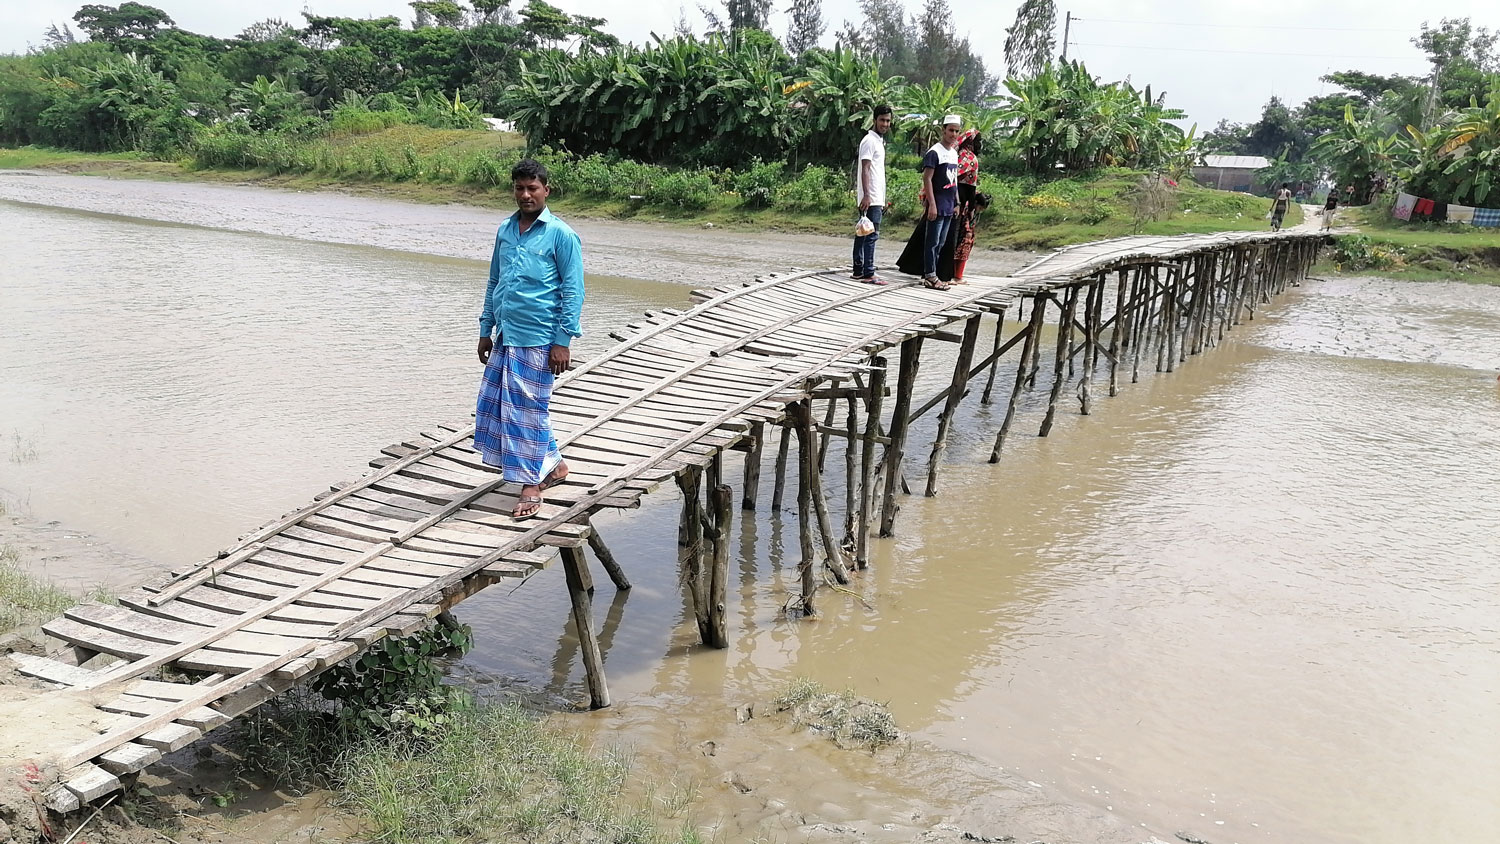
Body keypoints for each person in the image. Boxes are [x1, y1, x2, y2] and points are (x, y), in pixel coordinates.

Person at [475, 158, 584, 520]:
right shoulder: (506, 231)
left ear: (546, 190)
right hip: (507, 335)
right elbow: (495, 282)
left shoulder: (561, 234)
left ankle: (531, 486)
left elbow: (574, 291)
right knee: (508, 407)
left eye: (532, 188)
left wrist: (562, 341)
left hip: (539, 338)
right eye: (520, 188)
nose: (525, 194)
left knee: (527, 411)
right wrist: (485, 329)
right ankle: (555, 467)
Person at [918, 115, 963, 290]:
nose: (953, 134)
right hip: (937, 204)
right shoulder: (934, 152)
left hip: (948, 205)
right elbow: (927, 179)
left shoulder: (953, 153)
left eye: (956, 131)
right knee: (932, 242)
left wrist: (957, 202)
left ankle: (933, 274)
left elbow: (955, 181)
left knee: (941, 242)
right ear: (943, 130)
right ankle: (930, 275)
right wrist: (932, 204)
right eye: (951, 130)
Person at [852, 104, 892, 285]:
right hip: (871, 196)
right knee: (871, 234)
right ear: (875, 120)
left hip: (876, 195)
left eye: (888, 121)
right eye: (882, 120)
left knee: (863, 232)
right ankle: (868, 272)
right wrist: (867, 195)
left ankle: (859, 270)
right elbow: (865, 169)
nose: (885, 124)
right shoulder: (869, 141)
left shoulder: (878, 141)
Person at [951, 129, 983, 282]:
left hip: (948, 202)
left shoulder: (957, 155)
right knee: (957, 238)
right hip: (960, 205)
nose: (980, 144)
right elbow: (971, 187)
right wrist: (970, 209)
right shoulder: (970, 158)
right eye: (978, 141)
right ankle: (953, 274)